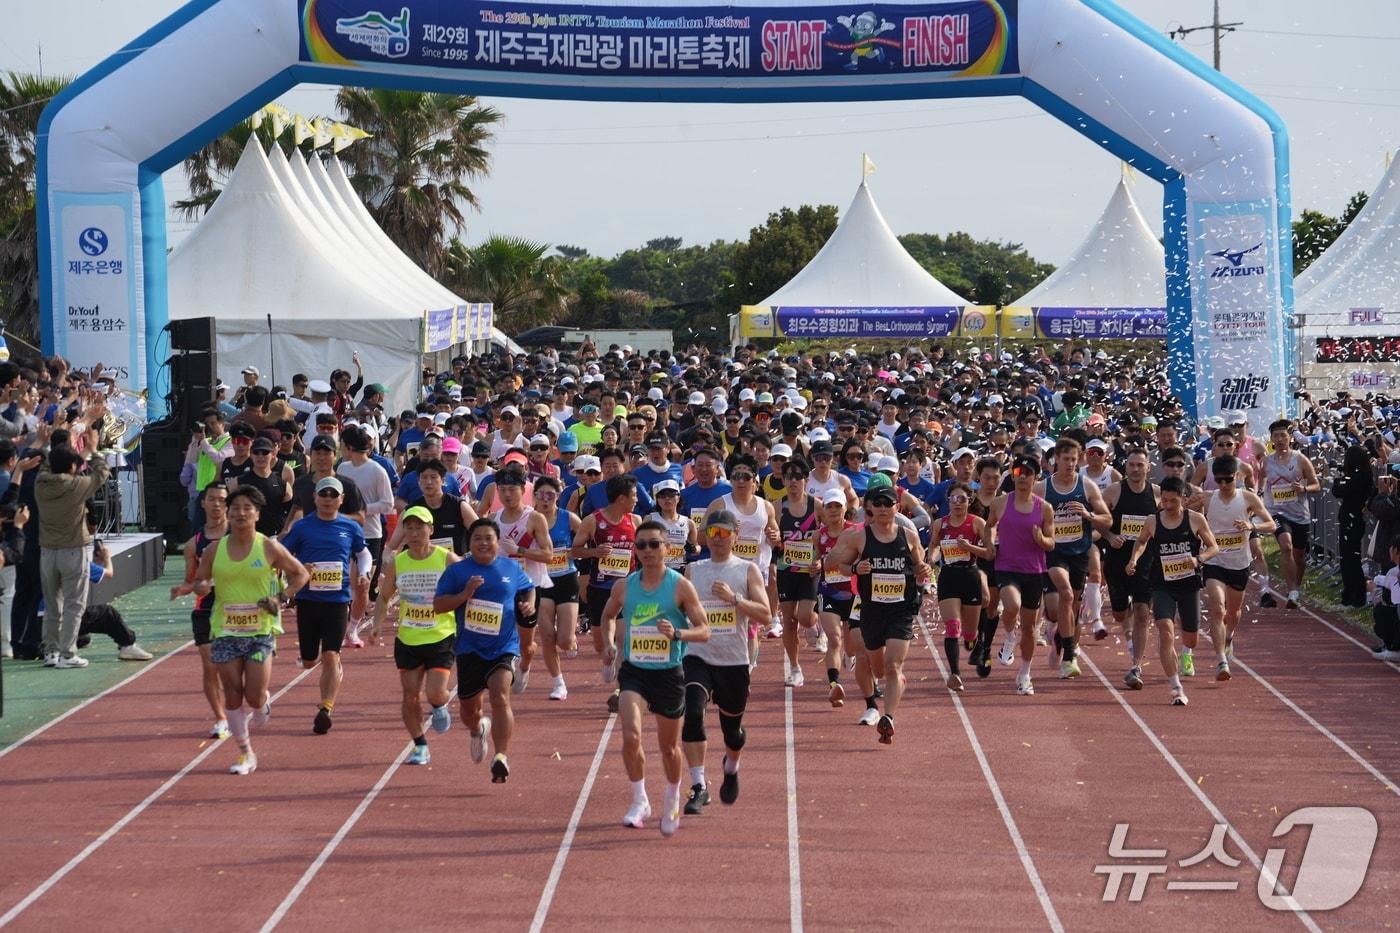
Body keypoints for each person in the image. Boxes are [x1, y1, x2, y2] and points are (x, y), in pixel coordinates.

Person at [599, 520, 711, 835]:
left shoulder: (679, 586)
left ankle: (673, 795)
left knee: (668, 748)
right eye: (642, 545)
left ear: (668, 549)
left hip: (668, 673)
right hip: (634, 670)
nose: (647, 550)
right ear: (635, 550)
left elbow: (704, 631)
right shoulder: (625, 586)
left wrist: (677, 633)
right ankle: (639, 800)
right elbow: (607, 615)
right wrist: (608, 643)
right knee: (631, 735)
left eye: (654, 544)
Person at [193, 486, 310, 775]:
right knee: (233, 695)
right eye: (235, 508)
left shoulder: (268, 547)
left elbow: (301, 573)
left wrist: (281, 598)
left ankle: (262, 703)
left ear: (257, 514)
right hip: (225, 630)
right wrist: (202, 586)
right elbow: (198, 582)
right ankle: (246, 753)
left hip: (260, 630)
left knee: (254, 695)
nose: (240, 513)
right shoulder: (213, 550)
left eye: (247, 508)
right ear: (228, 514)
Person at [822, 474, 933, 743]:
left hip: (900, 610)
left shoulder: (908, 535)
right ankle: (874, 698)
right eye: (878, 503)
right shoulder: (858, 536)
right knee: (877, 667)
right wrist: (855, 568)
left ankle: (888, 717)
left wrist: (924, 571)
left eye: (889, 502)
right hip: (869, 608)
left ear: (897, 506)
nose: (884, 508)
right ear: (869, 506)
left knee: (893, 665)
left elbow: (920, 568)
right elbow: (834, 565)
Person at [433, 518, 537, 784]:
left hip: (503, 646)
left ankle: (501, 755)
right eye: (477, 538)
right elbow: (439, 605)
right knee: (469, 710)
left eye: (488, 538)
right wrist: (464, 594)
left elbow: (528, 589)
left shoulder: (511, 567)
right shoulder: (457, 572)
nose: (483, 543)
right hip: (469, 648)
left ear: (496, 541)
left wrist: (528, 605)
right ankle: (478, 729)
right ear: (470, 542)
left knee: (501, 696)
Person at [682, 509, 770, 812]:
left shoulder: (746, 571)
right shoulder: (694, 571)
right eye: (712, 533)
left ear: (735, 535)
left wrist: (735, 599)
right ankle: (698, 786)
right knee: (692, 711)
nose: (717, 539)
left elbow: (766, 615)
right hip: (698, 656)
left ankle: (731, 767)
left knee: (732, 732)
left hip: (733, 660)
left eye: (724, 533)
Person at [370, 505, 459, 766]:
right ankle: (420, 744)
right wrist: (376, 624)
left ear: (430, 529)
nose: (413, 532)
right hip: (408, 637)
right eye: (408, 527)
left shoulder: (447, 559)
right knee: (409, 696)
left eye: (419, 527)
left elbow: (468, 589)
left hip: (440, 635)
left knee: (435, 693)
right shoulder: (399, 561)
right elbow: (384, 596)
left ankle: (440, 705)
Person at [281, 476, 369, 734]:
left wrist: (363, 573)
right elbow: (283, 555)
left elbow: (362, 553)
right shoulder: (302, 527)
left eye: (334, 495)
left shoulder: (350, 527)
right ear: (315, 498)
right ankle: (325, 667)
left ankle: (325, 708)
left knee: (331, 655)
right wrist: (298, 570)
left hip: (337, 600)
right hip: (308, 601)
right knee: (310, 661)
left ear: (341, 500)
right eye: (324, 494)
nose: (329, 499)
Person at [1126, 476, 1220, 706]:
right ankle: (1176, 687)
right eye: (1164, 501)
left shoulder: (1196, 520)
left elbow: (1214, 547)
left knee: (1191, 638)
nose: (1167, 506)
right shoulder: (1153, 521)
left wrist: (1198, 559)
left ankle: (1186, 654)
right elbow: (1141, 542)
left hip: (1188, 585)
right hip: (1162, 585)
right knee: (1165, 630)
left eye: (1173, 501)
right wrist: (1133, 559)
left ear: (1183, 499)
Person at [1036, 437, 1111, 679]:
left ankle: (1061, 638)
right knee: (1066, 596)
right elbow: (1027, 514)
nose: (1069, 463)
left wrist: (1089, 515)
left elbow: (1107, 519)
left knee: (1073, 607)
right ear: (1055, 459)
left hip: (1079, 552)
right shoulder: (1042, 488)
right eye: (1065, 459)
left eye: (1073, 459)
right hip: (1054, 553)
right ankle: (1069, 656)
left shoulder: (1087, 486)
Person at [36, 426, 110, 667]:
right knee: (73, 605)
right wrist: (93, 450)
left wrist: (53, 446)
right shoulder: (76, 486)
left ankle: (51, 652)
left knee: (52, 605)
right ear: (71, 468)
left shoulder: (41, 483)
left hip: (47, 552)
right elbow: (102, 473)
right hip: (73, 550)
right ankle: (68, 653)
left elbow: (50, 465)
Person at [984, 455, 1056, 696]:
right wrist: (990, 543)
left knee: (1030, 627)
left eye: (1027, 472)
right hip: (1006, 566)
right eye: (1018, 472)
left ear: (1035, 477)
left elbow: (1051, 543)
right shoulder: (1001, 503)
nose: (1022, 476)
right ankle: (1009, 635)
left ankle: (1025, 674)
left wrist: (1040, 539)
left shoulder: (1044, 508)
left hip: (1034, 571)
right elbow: (989, 525)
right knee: (1011, 605)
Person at [1200, 455, 1275, 677]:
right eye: (1219, 480)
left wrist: (1251, 525)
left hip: (1239, 563)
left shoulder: (1248, 498)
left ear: (1238, 477)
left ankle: (1229, 637)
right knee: (1216, 609)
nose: (1223, 485)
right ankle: (1221, 661)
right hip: (1214, 561)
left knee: (1233, 612)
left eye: (1228, 480)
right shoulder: (1206, 498)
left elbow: (1271, 524)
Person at [572, 473, 640, 714]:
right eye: (633, 496)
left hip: (626, 588)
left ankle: (621, 690)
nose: (637, 500)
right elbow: (574, 551)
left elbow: (642, 553)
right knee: (602, 643)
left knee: (624, 640)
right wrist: (595, 553)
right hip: (600, 589)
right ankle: (606, 657)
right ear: (621, 498)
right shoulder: (593, 521)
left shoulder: (636, 521)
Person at [171, 483, 231, 738]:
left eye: (221, 500)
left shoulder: (238, 537)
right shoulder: (193, 545)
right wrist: (186, 589)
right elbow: (192, 581)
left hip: (235, 608)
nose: (216, 504)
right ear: (203, 503)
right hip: (205, 609)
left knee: (233, 668)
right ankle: (220, 718)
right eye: (212, 499)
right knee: (210, 666)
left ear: (227, 505)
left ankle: (256, 695)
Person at [489, 470, 552, 694]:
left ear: (523, 490)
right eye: (502, 490)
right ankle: (503, 669)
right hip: (502, 585)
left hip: (529, 586)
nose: (507, 495)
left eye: (512, 490)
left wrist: (520, 550)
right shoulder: (493, 519)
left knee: (527, 645)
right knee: (499, 635)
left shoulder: (534, 518)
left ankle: (524, 665)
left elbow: (548, 555)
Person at [928, 482, 991, 691]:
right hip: (949, 577)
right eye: (953, 499)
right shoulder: (940, 524)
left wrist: (969, 547)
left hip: (970, 576)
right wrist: (932, 559)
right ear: (948, 501)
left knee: (969, 635)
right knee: (952, 627)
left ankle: (974, 642)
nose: (957, 503)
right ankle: (955, 673)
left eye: (962, 499)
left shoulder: (977, 523)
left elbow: (990, 553)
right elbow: (934, 548)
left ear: (969, 501)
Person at [1100, 451, 1157, 662]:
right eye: (1131, 465)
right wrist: (1109, 535)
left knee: (1143, 612)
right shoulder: (1114, 492)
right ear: (1126, 467)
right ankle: (1128, 627)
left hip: (1146, 561)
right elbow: (1097, 519)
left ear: (1148, 467)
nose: (1135, 469)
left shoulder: (1157, 494)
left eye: (1139, 465)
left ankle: (1136, 665)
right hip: (1117, 560)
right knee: (1120, 614)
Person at [1260, 419, 1320, 609]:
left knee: (1299, 556)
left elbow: (1316, 484)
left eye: (1282, 435)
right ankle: (1292, 589)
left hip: (1299, 514)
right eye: (1275, 436)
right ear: (1271, 439)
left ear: (1290, 438)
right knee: (1286, 546)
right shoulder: (1266, 462)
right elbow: (1260, 484)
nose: (1279, 439)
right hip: (1276, 512)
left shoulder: (1300, 459)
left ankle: (1295, 590)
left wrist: (1303, 488)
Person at [772, 459, 820, 688]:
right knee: (789, 623)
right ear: (783, 480)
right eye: (789, 476)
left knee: (805, 617)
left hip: (809, 570)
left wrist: (820, 561)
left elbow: (829, 535)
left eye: (798, 476)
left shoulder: (816, 506)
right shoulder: (777, 507)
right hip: (786, 570)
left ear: (805, 480)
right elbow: (769, 539)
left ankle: (817, 624)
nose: (793, 481)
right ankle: (794, 667)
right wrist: (773, 540)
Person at [533, 475, 581, 700]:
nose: (545, 500)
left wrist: (577, 554)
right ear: (535, 496)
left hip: (566, 579)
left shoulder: (569, 518)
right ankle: (558, 683)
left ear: (558, 496)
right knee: (546, 635)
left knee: (563, 640)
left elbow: (585, 542)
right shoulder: (529, 519)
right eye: (541, 495)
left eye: (550, 495)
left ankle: (571, 638)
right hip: (541, 581)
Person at [1333, 444, 1375, 608]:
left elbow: (1338, 490)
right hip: (1353, 520)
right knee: (1349, 559)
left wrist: (1338, 478)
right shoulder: (1363, 475)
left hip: (1352, 520)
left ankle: (1355, 596)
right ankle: (1351, 594)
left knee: (1350, 560)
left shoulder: (1359, 477)